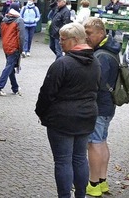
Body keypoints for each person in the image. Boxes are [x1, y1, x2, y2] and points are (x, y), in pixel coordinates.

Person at [35, 22, 100, 198]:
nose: (60, 42)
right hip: (86, 116)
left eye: (63, 39)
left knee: (63, 161)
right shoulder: (95, 62)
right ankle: (80, 195)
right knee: (79, 158)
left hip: (62, 119)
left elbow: (47, 93)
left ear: (75, 40)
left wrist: (41, 113)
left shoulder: (62, 64)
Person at [83, 17, 121, 197]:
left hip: (99, 106)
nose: (86, 37)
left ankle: (93, 184)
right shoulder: (110, 49)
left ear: (101, 33)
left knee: (94, 144)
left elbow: (97, 83)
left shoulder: (101, 56)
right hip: (108, 106)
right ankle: (103, 181)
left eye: (89, 34)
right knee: (102, 142)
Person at [0, 5, 24, 96]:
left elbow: (1, 32)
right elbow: (21, 37)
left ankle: (15, 87)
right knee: (9, 67)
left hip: (6, 45)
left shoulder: (5, 20)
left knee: (10, 67)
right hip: (14, 47)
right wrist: (21, 49)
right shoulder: (19, 20)